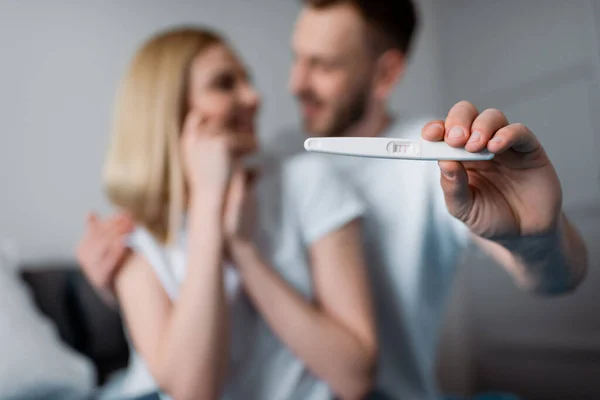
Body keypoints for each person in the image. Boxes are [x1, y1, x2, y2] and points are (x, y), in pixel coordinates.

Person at [78, 1, 589, 399]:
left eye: (321, 66)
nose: (290, 84)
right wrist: (121, 292)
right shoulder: (276, 155)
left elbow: (552, 277)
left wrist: (537, 236)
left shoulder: (437, 166)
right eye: (297, 58)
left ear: (385, 74)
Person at [80, 26, 378, 400]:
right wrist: (208, 207)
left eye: (246, 80)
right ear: (170, 110)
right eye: (224, 84)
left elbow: (355, 378)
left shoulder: (307, 181)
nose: (253, 97)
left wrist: (244, 251)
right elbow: (191, 392)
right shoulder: (133, 235)